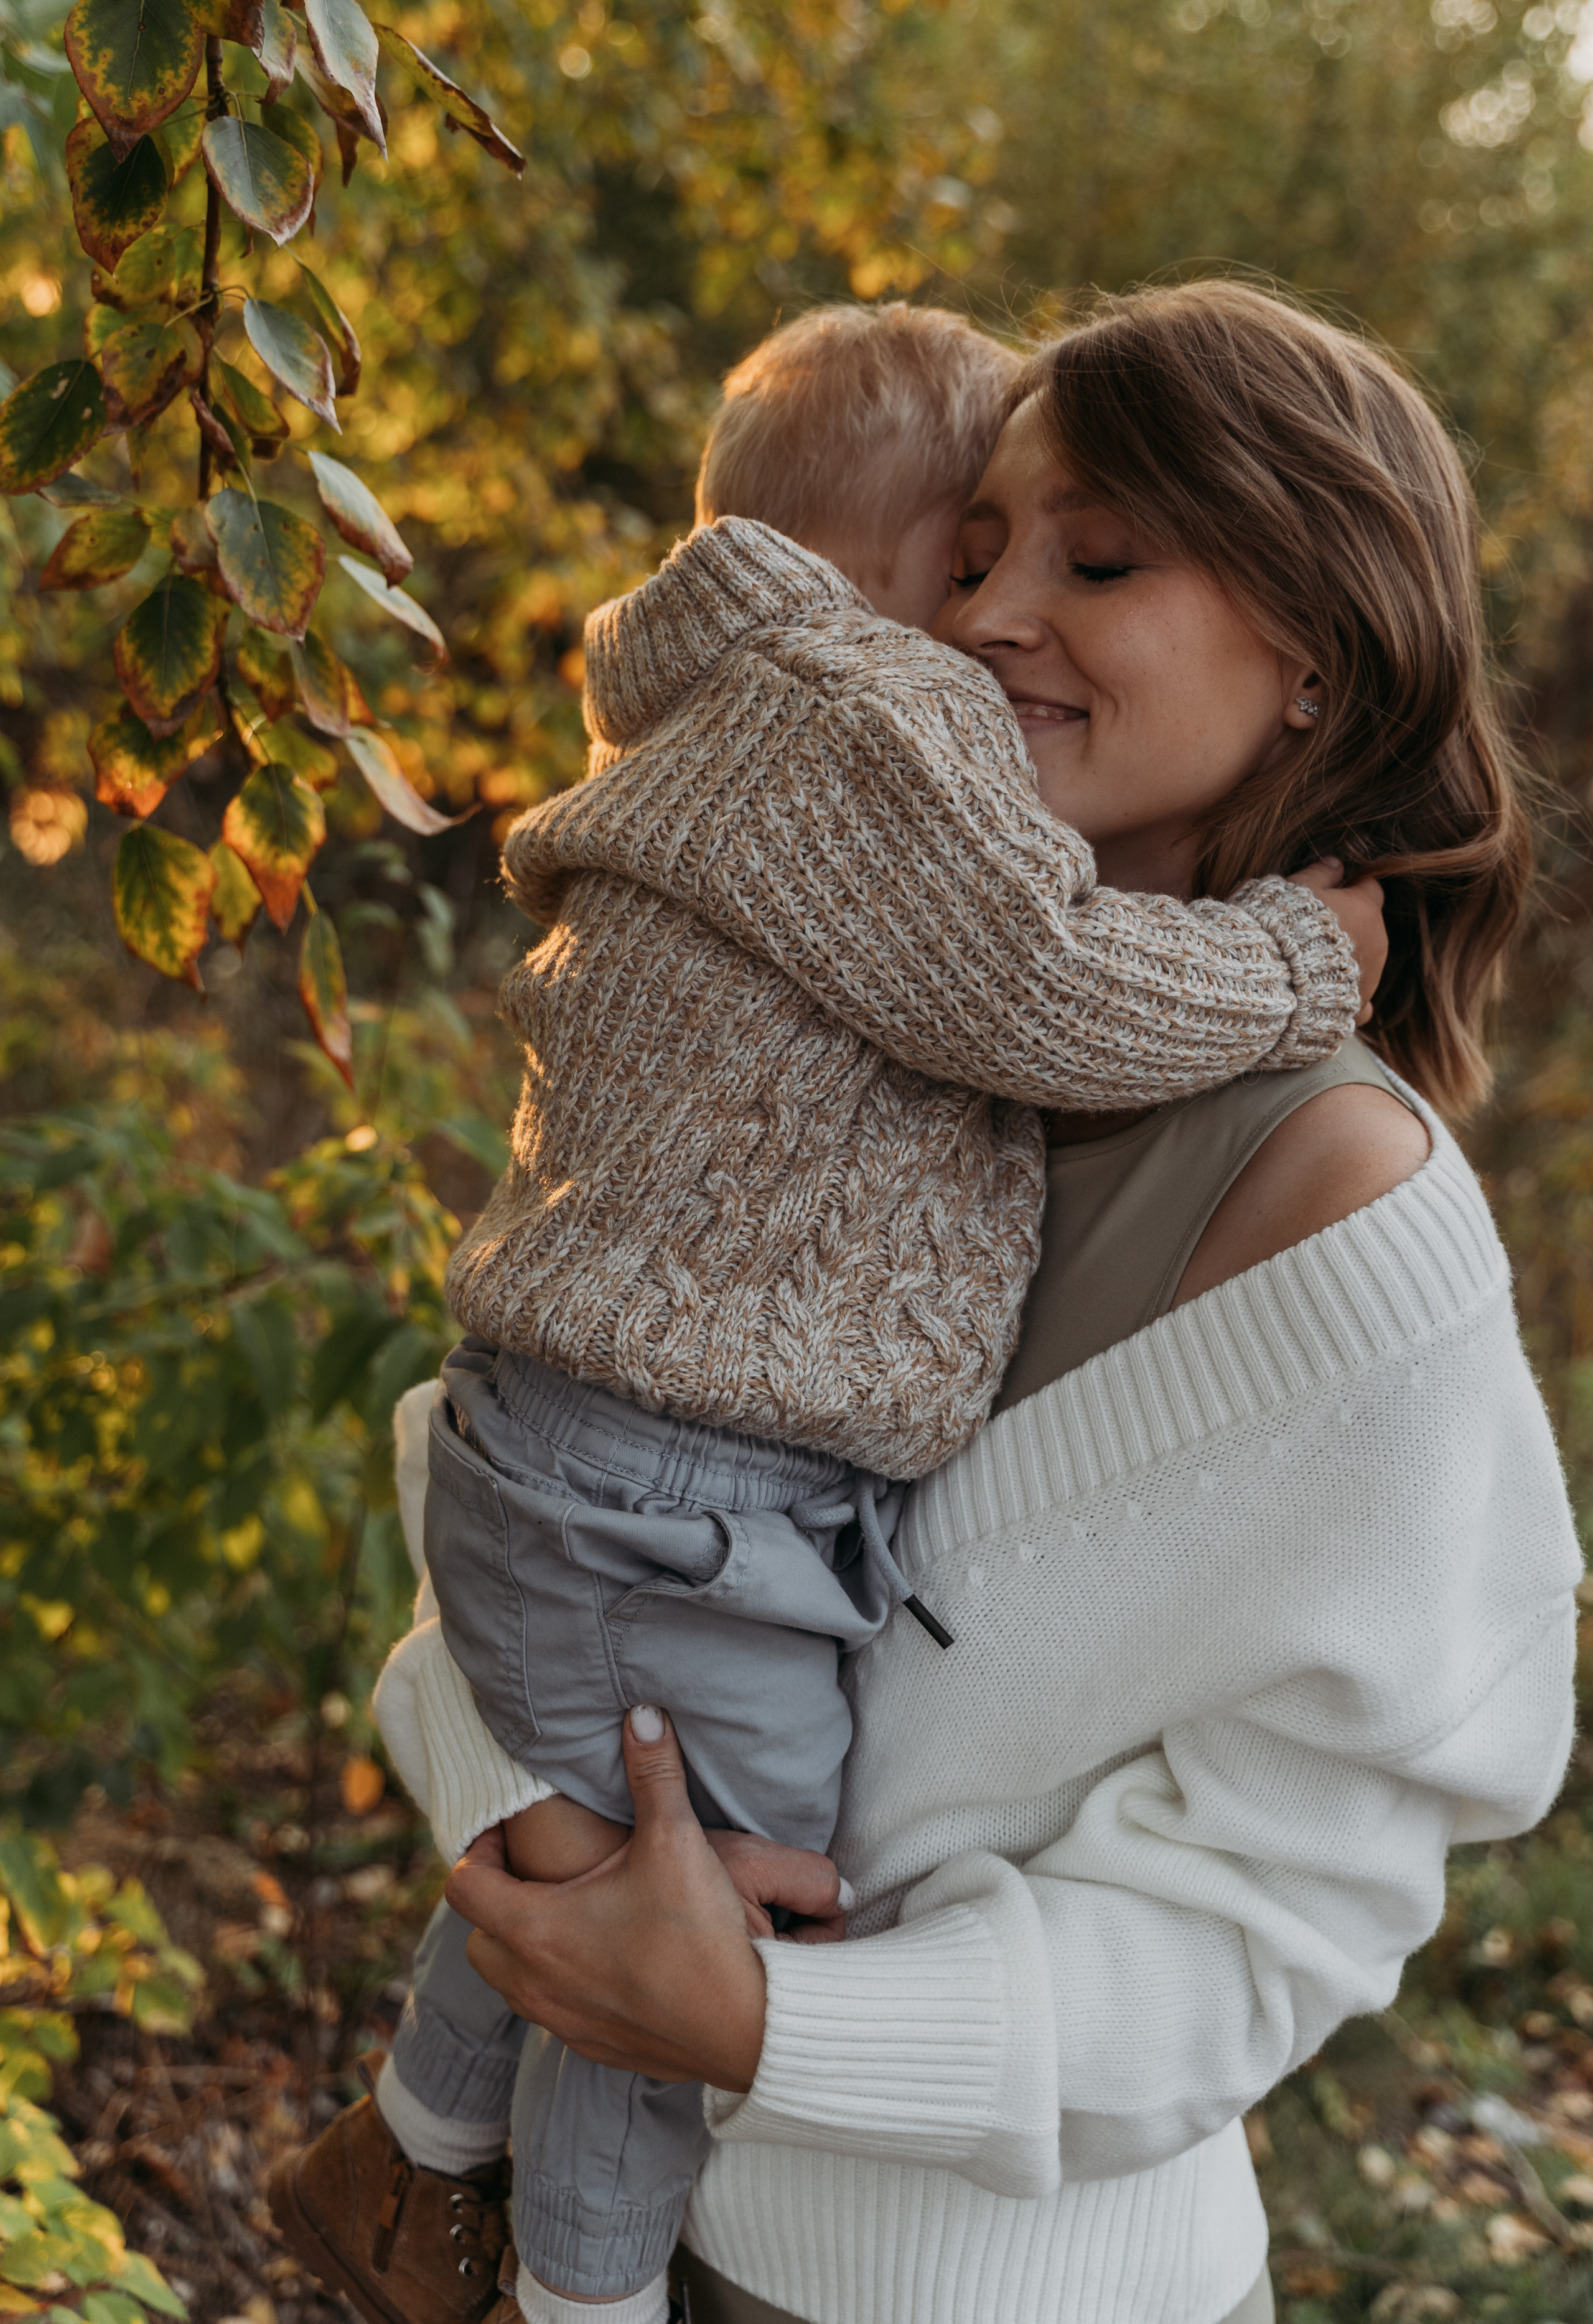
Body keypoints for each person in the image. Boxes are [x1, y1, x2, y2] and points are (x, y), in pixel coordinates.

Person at [419, 282, 1580, 2324]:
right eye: (967, 557)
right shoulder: (850, 1023)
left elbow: (1280, 1924)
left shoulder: (1347, 1211)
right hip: (619, 2223)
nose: (980, 617)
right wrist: (532, 1812)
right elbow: (525, 1472)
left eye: (1095, 560)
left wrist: (765, 2032)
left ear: (1315, 660)